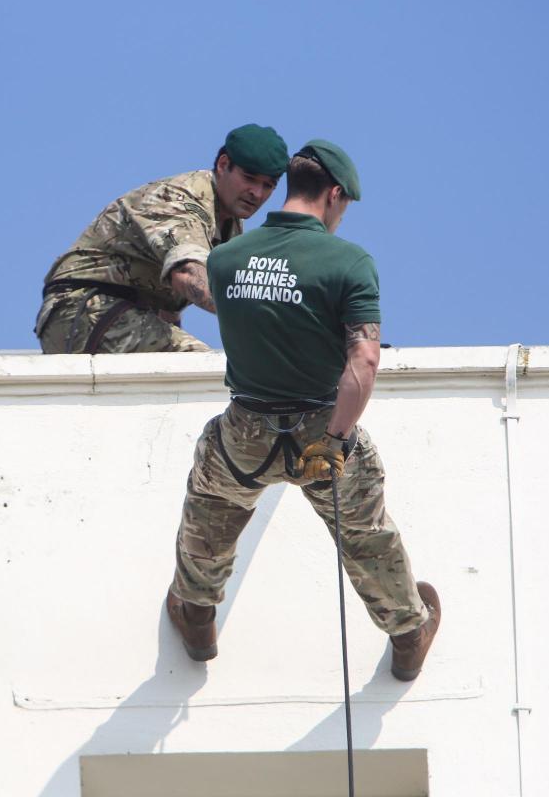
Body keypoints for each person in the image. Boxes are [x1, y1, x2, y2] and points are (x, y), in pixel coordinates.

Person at [165, 139, 441, 680]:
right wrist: (336, 439)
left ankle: (197, 615)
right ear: (335, 195)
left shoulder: (224, 259)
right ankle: (408, 632)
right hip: (321, 430)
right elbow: (363, 357)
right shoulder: (349, 262)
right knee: (364, 534)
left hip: (246, 430)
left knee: (212, 513)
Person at [35, 124, 288, 354]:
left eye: (269, 185)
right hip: (81, 309)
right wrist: (257, 318)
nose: (256, 193)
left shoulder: (227, 221)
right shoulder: (180, 201)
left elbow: (168, 305)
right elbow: (187, 275)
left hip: (118, 313)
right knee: (199, 369)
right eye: (249, 178)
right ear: (223, 165)